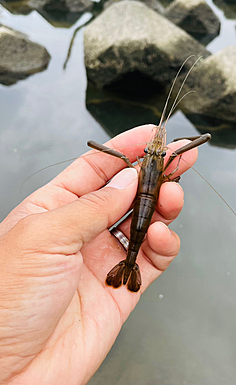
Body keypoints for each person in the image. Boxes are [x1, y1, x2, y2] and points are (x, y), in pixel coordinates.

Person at [0, 124, 198, 385]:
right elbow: (199, 141)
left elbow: (97, 145)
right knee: (166, 211)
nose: (156, 154)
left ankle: (129, 264)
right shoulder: (166, 166)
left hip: (133, 219)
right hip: (141, 225)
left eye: (156, 155)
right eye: (155, 154)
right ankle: (131, 263)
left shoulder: (135, 163)